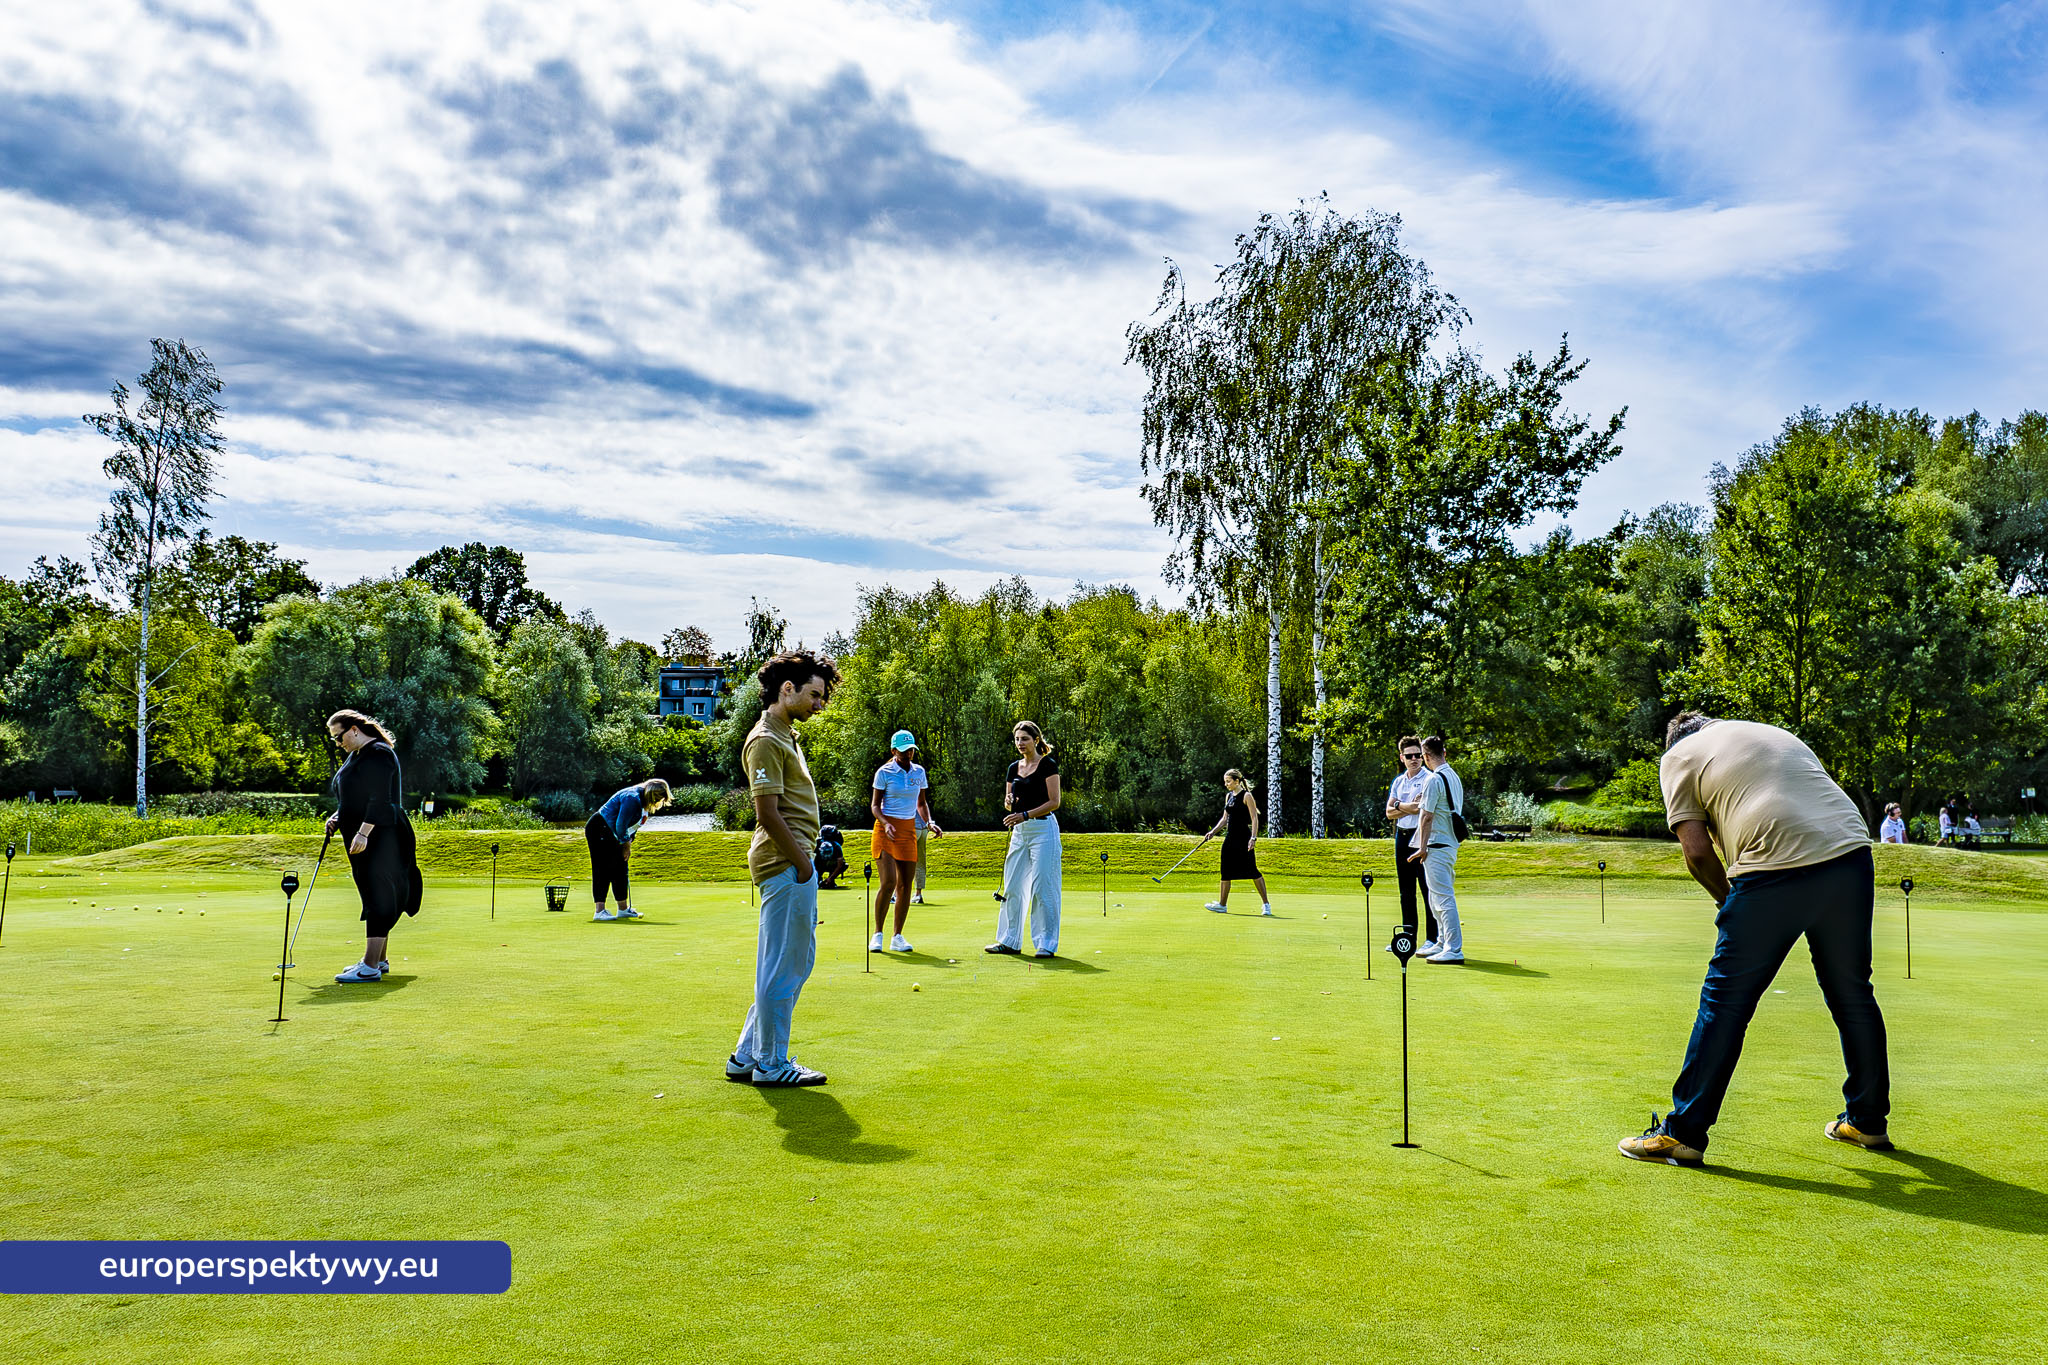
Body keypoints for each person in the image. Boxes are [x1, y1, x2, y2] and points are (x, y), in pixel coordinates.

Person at [1618, 712, 1891, 1168]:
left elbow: (1698, 852)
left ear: (1675, 740)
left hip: (1772, 867)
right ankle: (1867, 1122)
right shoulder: (1772, 733)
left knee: (1724, 1002)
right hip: (1850, 855)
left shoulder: (1678, 756)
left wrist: (1727, 903)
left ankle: (1682, 1134)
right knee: (1852, 994)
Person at [725, 650, 839, 1088]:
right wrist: (803, 865)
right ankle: (770, 1065)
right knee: (784, 967)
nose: (820, 704)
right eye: (814, 694)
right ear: (786, 689)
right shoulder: (766, 739)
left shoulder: (785, 735)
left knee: (791, 963)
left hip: (795, 862)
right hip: (786, 863)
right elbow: (767, 812)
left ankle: (746, 1056)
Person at [325, 709, 423, 983]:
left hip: (383, 835)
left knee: (379, 893)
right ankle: (379, 959)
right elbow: (354, 796)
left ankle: (368, 967)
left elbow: (380, 798)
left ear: (354, 729)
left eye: (339, 736)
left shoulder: (379, 752)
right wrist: (339, 816)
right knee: (374, 892)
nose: (338, 743)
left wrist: (363, 833)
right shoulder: (357, 755)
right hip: (366, 833)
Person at [987, 720, 1062, 958]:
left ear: (1036, 740)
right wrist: (1009, 803)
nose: (1020, 743)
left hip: (1043, 830)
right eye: (1017, 739)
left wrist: (1025, 814)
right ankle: (1009, 941)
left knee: (1043, 887)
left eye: (1025, 739)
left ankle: (1045, 944)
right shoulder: (1013, 768)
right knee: (1013, 885)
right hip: (1020, 832)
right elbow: (1007, 799)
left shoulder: (1047, 765)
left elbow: (1054, 802)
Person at [871, 731, 942, 952]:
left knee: (905, 886)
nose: (908, 754)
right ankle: (878, 934)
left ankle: (897, 936)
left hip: (908, 830)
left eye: (911, 750)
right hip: (886, 830)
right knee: (889, 882)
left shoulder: (919, 772)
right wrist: (885, 823)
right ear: (894, 751)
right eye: (903, 751)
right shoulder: (884, 772)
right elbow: (875, 806)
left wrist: (929, 822)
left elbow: (921, 803)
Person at [1407, 735, 1465, 964]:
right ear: (1445, 753)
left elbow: (1426, 816)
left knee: (1443, 897)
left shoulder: (1433, 780)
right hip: (1448, 843)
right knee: (1435, 897)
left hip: (1437, 844)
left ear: (1426, 757)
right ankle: (1441, 942)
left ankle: (1453, 948)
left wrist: (1421, 847)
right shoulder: (1453, 776)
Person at [586, 779, 671, 920]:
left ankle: (623, 909)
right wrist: (626, 845)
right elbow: (621, 824)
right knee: (603, 868)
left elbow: (631, 824)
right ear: (652, 793)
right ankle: (599, 911)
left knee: (620, 868)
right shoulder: (632, 798)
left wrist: (629, 839)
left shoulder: (641, 800)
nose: (658, 801)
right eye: (658, 798)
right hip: (599, 828)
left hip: (611, 831)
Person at [1384, 736, 1438, 950]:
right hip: (1402, 836)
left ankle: (1432, 939)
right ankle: (1408, 937)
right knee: (1406, 891)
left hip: (1421, 835)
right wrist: (1404, 805)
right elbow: (1389, 813)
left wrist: (1399, 805)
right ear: (1402, 758)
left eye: (1418, 755)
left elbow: (1420, 808)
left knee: (1426, 888)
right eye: (1410, 756)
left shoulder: (1429, 778)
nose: (1415, 759)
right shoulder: (1398, 781)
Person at [1203, 769, 1272, 916]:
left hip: (1244, 839)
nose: (1226, 784)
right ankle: (1222, 905)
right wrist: (1213, 832)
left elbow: (1254, 819)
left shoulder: (1247, 796)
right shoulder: (1229, 796)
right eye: (1225, 781)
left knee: (1252, 870)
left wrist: (1253, 838)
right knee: (1225, 871)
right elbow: (1224, 819)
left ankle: (1266, 905)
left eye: (1228, 781)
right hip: (1230, 839)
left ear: (1237, 781)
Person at [815, 825, 848, 889]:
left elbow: (840, 864)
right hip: (819, 862)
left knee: (844, 865)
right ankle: (818, 879)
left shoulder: (837, 847)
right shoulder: (816, 844)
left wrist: (831, 878)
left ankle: (831, 881)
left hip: (832, 862)